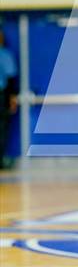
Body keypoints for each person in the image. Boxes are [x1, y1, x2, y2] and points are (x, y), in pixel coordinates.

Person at [0, 30, 18, 169]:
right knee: (2, 128)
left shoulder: (5, 55)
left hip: (2, 94)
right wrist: (12, 98)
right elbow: (11, 78)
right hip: (2, 95)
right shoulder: (5, 55)